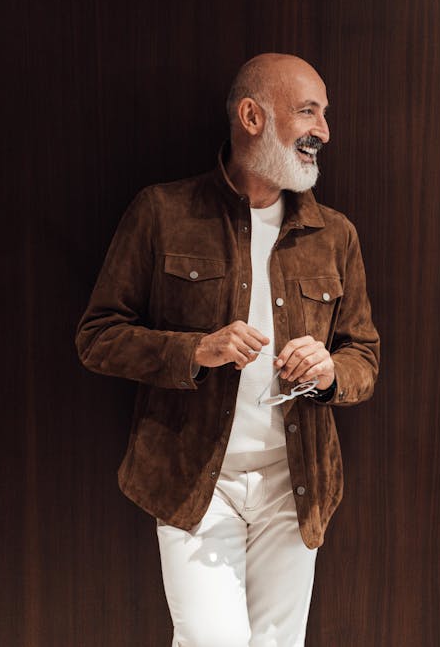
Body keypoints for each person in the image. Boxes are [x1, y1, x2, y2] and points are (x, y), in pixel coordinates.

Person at [76, 53, 380, 647]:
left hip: (295, 485)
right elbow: (97, 337)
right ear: (252, 115)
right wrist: (195, 350)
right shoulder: (162, 213)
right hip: (193, 481)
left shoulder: (335, 235)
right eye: (307, 111)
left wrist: (330, 370)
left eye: (325, 114)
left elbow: (363, 355)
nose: (324, 131)